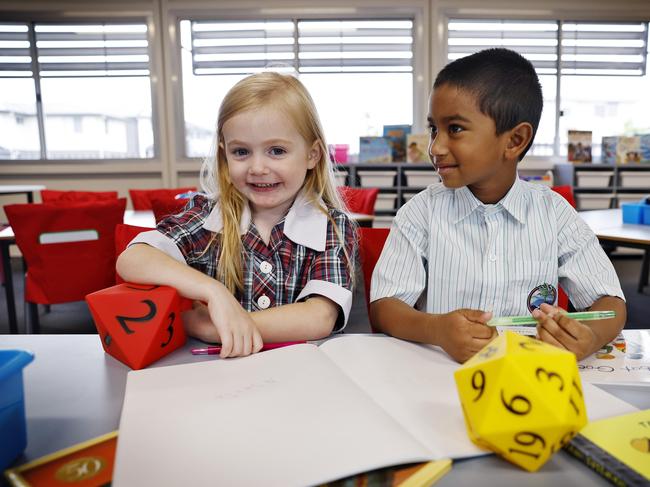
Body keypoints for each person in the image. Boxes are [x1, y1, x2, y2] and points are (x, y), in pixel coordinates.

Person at [369, 48, 626, 363]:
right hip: (439, 374)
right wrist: (436, 329)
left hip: (530, 377)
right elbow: (384, 308)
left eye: (455, 129)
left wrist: (590, 337)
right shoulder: (420, 213)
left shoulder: (554, 214)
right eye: (434, 129)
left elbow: (610, 302)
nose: (435, 147)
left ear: (515, 140)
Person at [117, 72, 356, 358]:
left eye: (276, 151)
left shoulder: (333, 226)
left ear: (312, 155)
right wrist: (213, 292)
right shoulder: (208, 216)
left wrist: (215, 327)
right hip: (220, 378)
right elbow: (132, 259)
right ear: (224, 156)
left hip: (299, 379)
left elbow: (319, 317)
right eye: (241, 152)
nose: (257, 167)